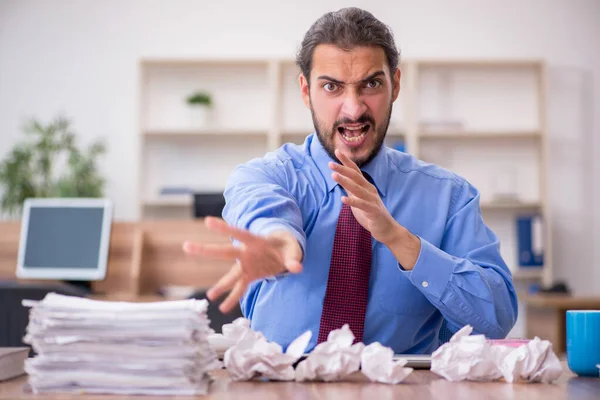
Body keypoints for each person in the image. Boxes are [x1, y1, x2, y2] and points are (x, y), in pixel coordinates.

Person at [183, 7, 518, 354]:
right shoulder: (266, 175)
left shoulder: (450, 197)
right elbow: (265, 213)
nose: (353, 109)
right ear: (305, 91)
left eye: (371, 84)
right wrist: (279, 245)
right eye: (332, 87)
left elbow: (496, 321)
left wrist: (400, 240)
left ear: (396, 85)